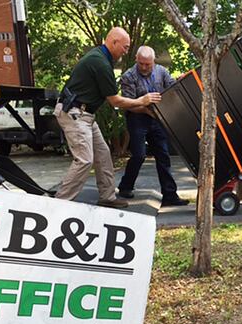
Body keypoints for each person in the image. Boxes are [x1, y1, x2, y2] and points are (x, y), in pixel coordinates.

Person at [54, 27, 161, 208]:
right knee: (85, 160)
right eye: (125, 47)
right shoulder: (100, 63)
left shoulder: (101, 57)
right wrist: (142, 101)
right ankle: (59, 204)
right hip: (75, 113)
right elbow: (115, 101)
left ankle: (107, 197)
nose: (126, 51)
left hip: (85, 115)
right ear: (113, 42)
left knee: (103, 156)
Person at [117, 46, 189, 207]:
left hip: (157, 119)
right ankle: (125, 186)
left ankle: (169, 195)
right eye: (141, 63)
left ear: (153, 61)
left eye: (147, 64)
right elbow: (127, 104)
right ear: (136, 59)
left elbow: (171, 88)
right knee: (139, 155)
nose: (144, 67)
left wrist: (181, 81)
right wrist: (146, 109)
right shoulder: (128, 76)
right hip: (137, 118)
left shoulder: (162, 72)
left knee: (163, 155)